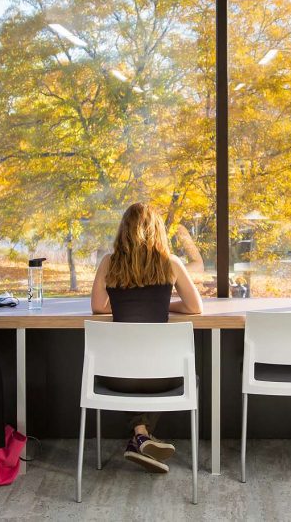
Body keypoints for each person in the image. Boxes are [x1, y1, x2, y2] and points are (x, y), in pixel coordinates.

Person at [90, 203, 204, 473]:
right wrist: (160, 305)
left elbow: (98, 307)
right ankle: (141, 437)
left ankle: (139, 436)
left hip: (116, 377)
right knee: (189, 377)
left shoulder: (109, 262)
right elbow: (194, 307)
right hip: (164, 378)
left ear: (123, 231)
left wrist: (127, 304)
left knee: (133, 370)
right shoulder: (171, 262)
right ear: (158, 231)